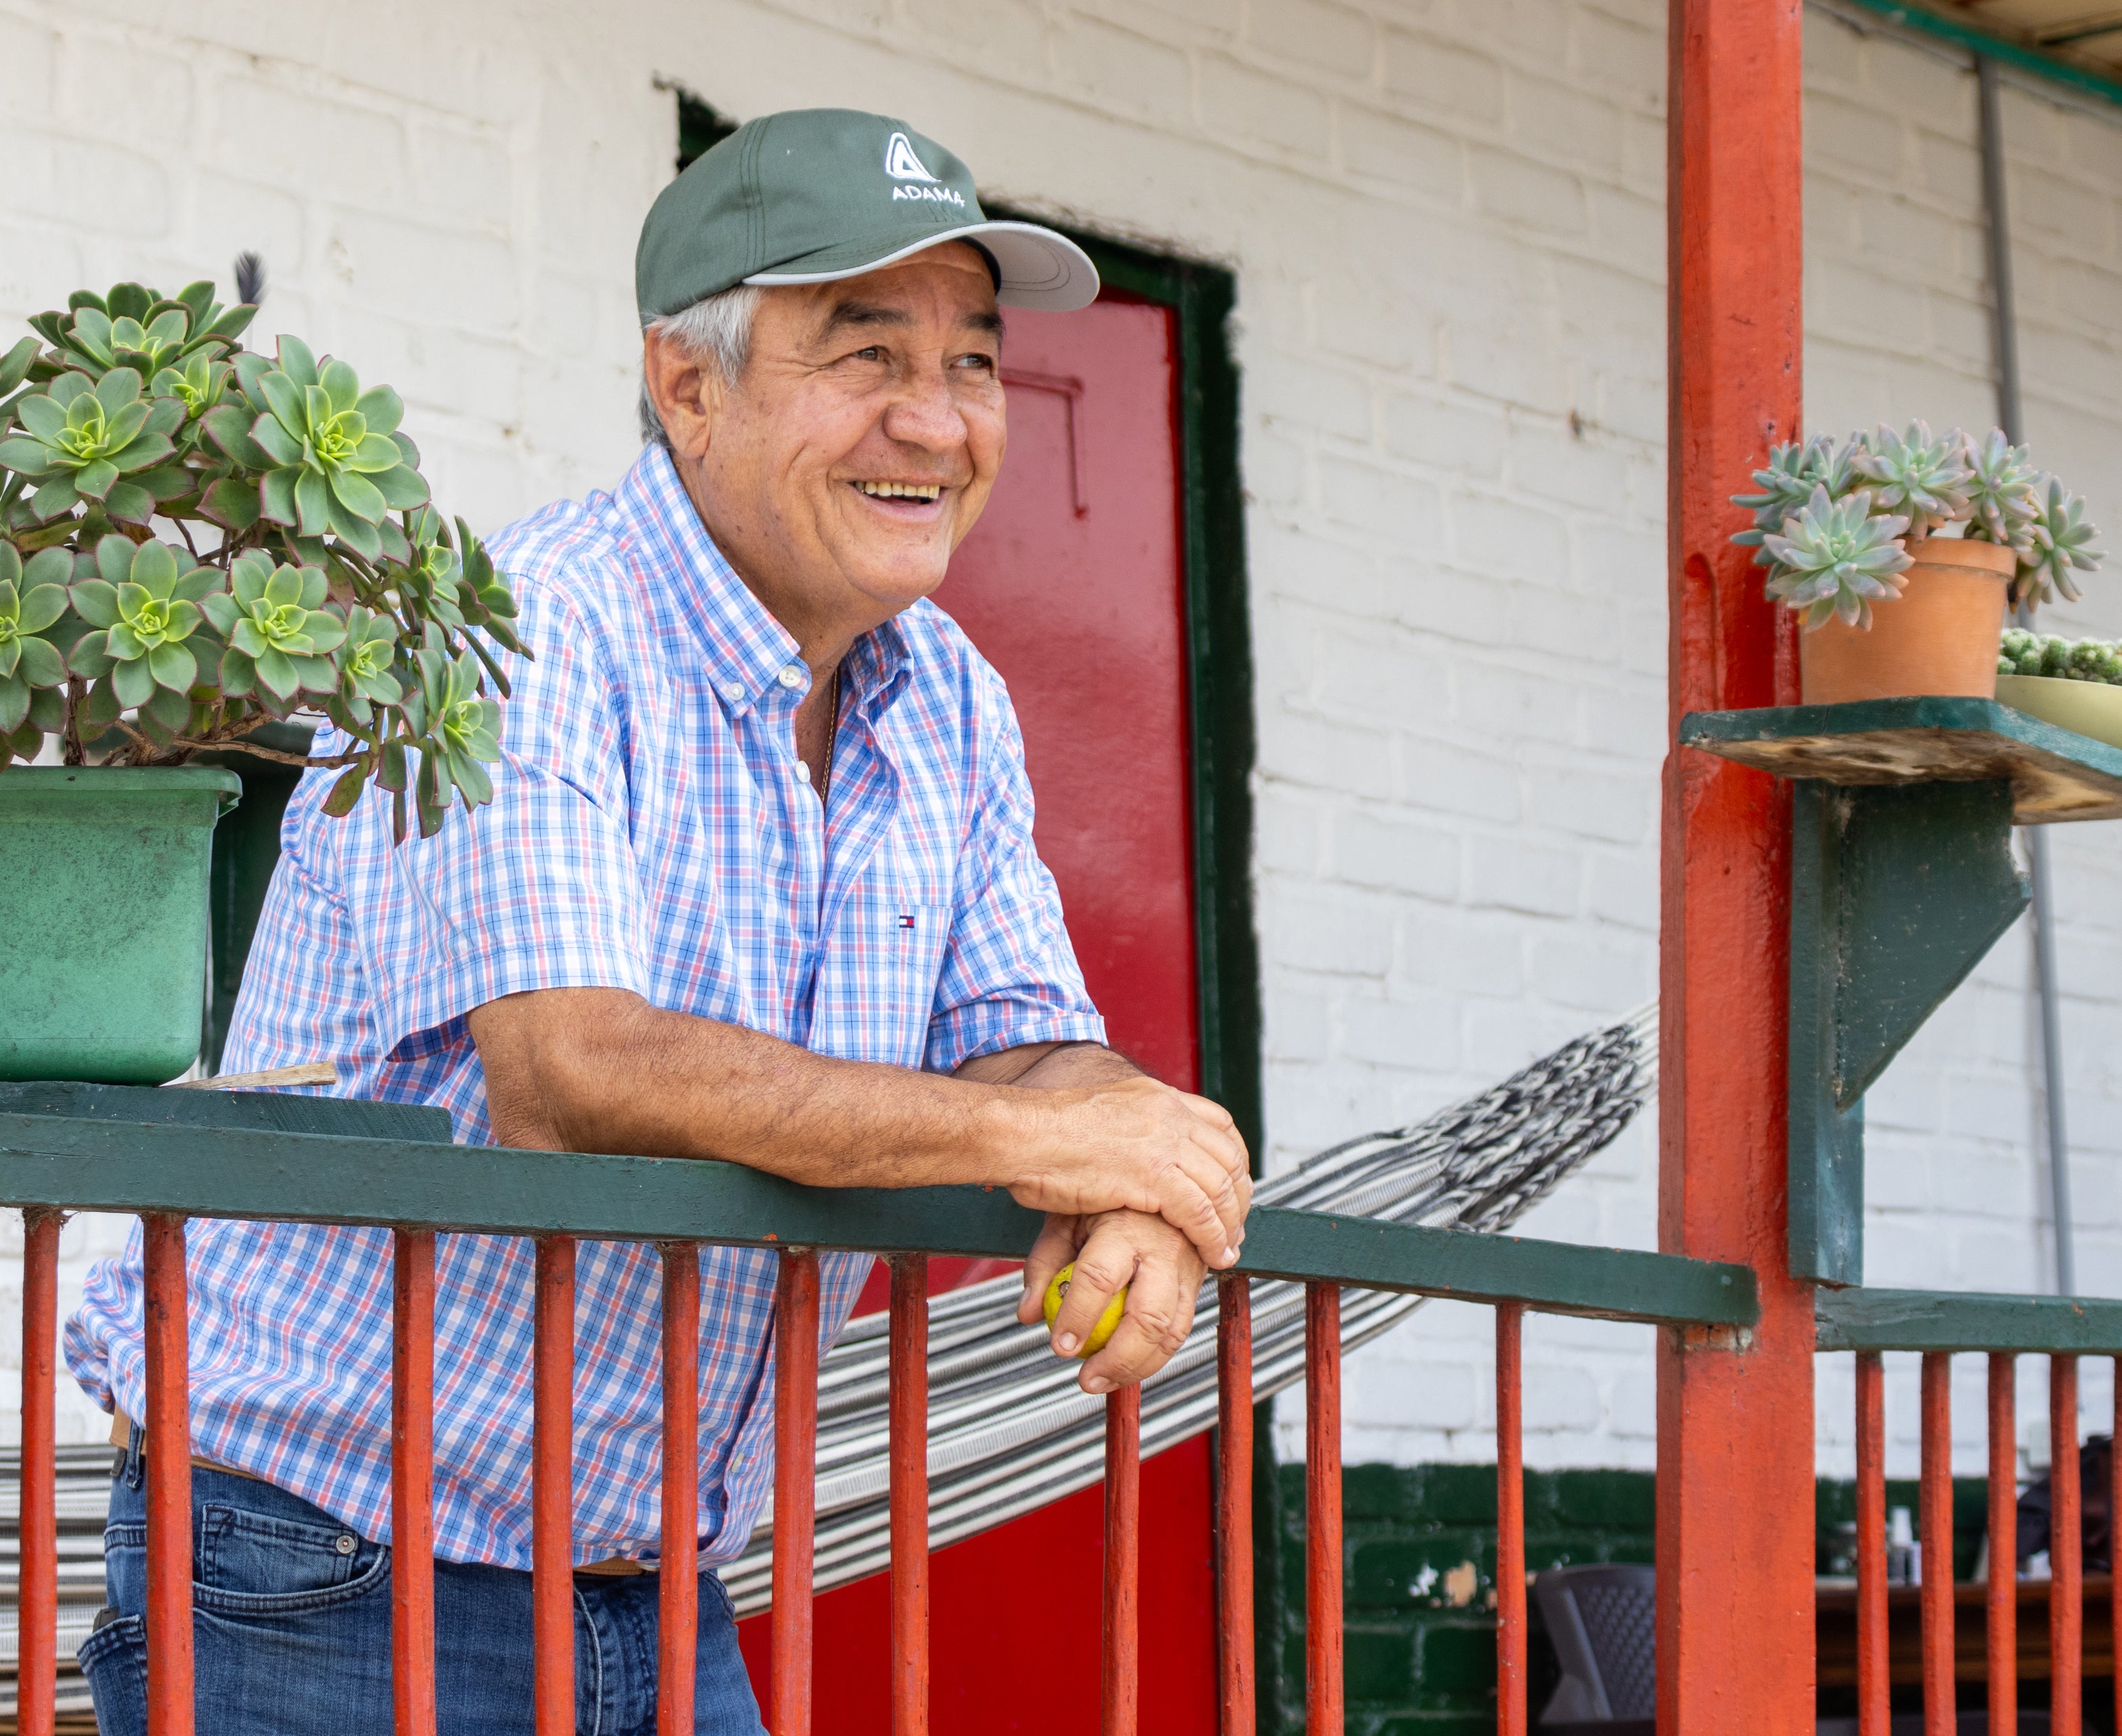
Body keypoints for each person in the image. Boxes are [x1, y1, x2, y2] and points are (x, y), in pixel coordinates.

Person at [62, 108, 1250, 1735]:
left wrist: (1140, 1162)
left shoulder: (951, 698)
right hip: (326, 1557)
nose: (938, 417)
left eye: (973, 361)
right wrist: (1060, 1145)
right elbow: (576, 1070)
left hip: (647, 1579)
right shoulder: (536, 620)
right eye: (864, 350)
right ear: (688, 386)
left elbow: (1027, 1037)